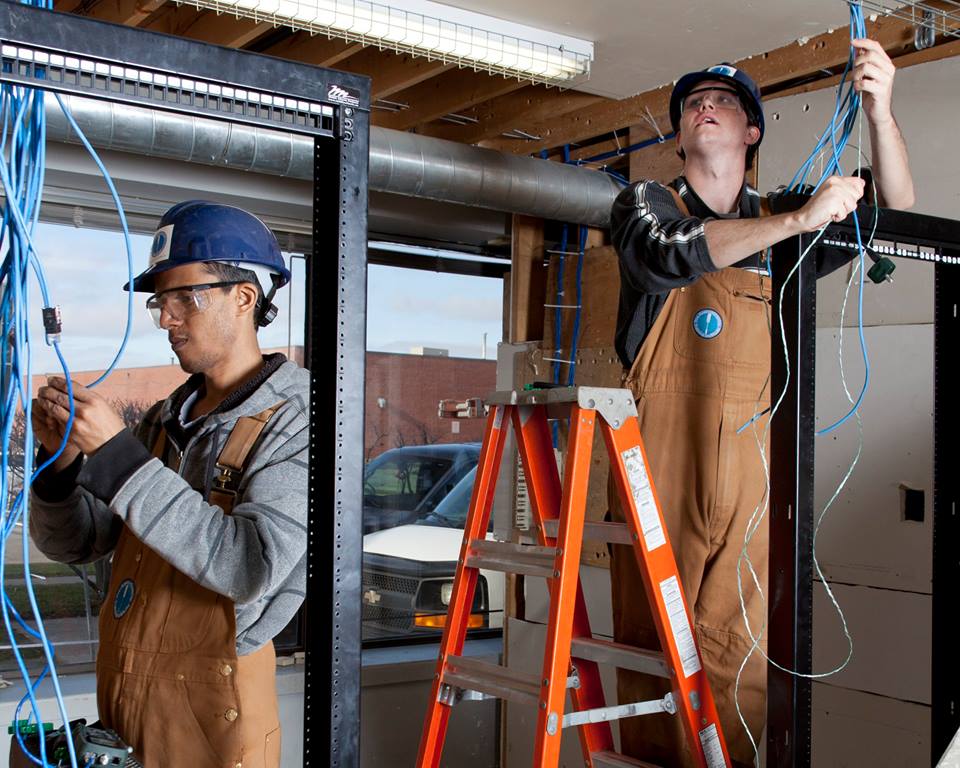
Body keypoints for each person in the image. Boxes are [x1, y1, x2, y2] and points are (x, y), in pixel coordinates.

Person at [608, 40, 914, 768]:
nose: (702, 109)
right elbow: (673, 253)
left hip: (755, 461)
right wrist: (797, 224)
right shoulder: (645, 205)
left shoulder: (786, 213)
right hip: (662, 465)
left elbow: (897, 217)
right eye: (691, 105)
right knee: (655, 645)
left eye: (722, 102)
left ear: (751, 133)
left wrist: (882, 110)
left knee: (740, 649)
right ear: (681, 137)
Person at [27, 201, 309, 767]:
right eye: (161, 301)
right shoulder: (163, 418)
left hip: (215, 709)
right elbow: (77, 543)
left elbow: (247, 566)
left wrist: (117, 455)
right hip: (126, 689)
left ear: (244, 297)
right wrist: (60, 464)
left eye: (186, 298)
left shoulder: (297, 420)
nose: (165, 318)